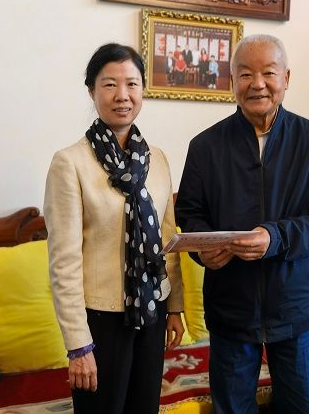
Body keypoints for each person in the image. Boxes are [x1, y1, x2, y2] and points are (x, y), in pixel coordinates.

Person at [175, 34, 309, 414]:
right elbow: (189, 213)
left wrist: (275, 237)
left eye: (268, 73)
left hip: (294, 304)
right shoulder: (205, 147)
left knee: (296, 408)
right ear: (231, 81)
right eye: (245, 74)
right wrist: (205, 252)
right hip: (230, 306)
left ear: (286, 78)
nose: (257, 84)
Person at [44, 43, 185, 414]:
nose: (122, 95)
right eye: (109, 84)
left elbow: (167, 240)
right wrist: (78, 345)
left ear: (143, 90)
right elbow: (64, 262)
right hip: (101, 320)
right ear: (92, 91)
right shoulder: (70, 163)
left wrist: (175, 307)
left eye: (132, 84)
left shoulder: (157, 159)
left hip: (151, 310)